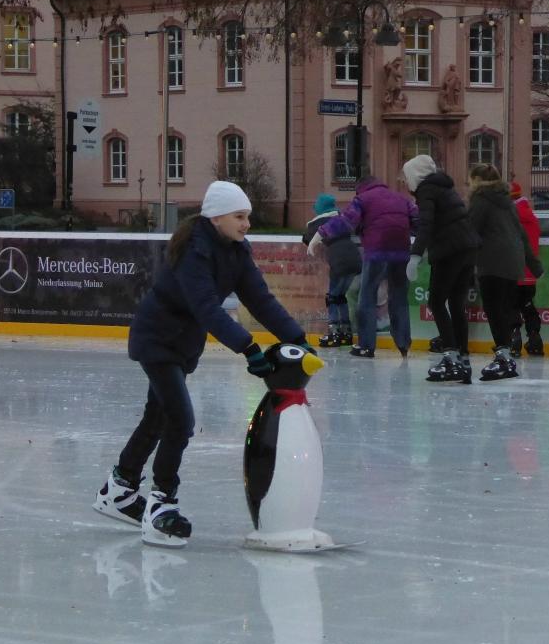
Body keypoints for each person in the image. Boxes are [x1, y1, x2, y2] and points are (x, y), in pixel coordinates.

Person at [93, 181, 313, 548]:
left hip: (182, 344)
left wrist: (296, 338)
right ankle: (162, 505)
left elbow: (260, 300)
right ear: (216, 218)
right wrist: (248, 348)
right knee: (180, 420)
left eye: (247, 217)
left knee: (157, 417)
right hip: (157, 339)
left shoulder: (236, 252)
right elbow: (206, 308)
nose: (247, 224)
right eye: (239, 217)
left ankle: (120, 489)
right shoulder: (193, 251)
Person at [310, 175, 418, 358]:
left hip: (377, 252)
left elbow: (346, 221)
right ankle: (403, 344)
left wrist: (320, 233)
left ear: (361, 187)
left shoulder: (363, 199)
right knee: (399, 297)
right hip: (401, 252)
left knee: (367, 296)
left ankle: (366, 346)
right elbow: (418, 222)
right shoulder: (402, 198)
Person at [402, 155, 478, 383]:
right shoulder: (445, 188)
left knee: (436, 302)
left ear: (415, 176)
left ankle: (451, 357)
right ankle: (463, 359)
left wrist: (415, 255)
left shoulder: (426, 190)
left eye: (406, 177)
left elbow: (426, 224)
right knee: (456, 303)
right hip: (467, 248)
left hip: (450, 251)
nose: (405, 182)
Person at [467, 164, 543, 381]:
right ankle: (505, 354)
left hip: (492, 261)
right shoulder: (507, 201)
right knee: (504, 309)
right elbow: (521, 234)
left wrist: (461, 260)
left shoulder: (480, 199)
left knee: (494, 310)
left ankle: (503, 356)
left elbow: (469, 232)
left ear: (477, 180)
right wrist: (534, 265)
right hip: (513, 262)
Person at [303, 193, 361, 347]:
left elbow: (307, 239)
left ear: (319, 208)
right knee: (340, 296)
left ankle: (334, 331)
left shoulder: (317, 223)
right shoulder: (342, 218)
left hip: (339, 261)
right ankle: (346, 331)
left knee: (332, 297)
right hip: (354, 259)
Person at [508, 181, 544, 357]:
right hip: (530, 273)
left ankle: (514, 337)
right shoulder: (532, 217)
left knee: (511, 306)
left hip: (512, 271)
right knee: (528, 304)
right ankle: (535, 337)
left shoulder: (509, 218)